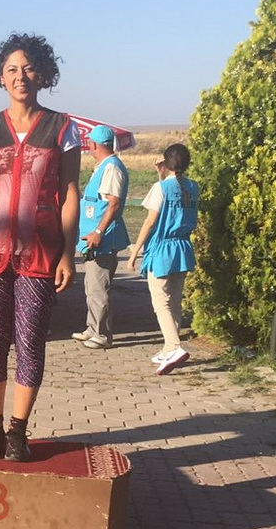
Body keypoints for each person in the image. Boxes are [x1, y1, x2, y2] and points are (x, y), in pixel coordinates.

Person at [0, 32, 81, 461]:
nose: (20, 76)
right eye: (11, 69)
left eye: (28, 69)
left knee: (30, 342)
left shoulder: (62, 128)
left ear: (43, 75)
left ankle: (18, 431)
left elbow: (69, 193)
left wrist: (68, 254)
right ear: (0, 78)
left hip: (39, 254)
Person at [127, 143, 199, 376]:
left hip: (162, 250)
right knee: (174, 301)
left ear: (166, 163)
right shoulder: (193, 187)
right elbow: (175, 201)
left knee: (161, 302)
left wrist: (134, 252)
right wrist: (162, 176)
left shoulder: (160, 188)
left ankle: (175, 347)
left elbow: (151, 221)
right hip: (182, 247)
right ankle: (169, 348)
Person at [71, 124, 130, 350]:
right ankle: (92, 327)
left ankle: (102, 334)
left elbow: (113, 204)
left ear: (93, 144)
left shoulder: (112, 168)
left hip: (102, 239)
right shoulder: (102, 167)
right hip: (92, 239)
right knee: (91, 285)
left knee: (99, 287)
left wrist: (98, 231)